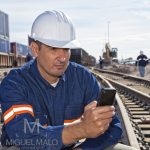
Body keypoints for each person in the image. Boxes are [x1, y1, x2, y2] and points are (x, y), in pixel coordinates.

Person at [0, 10, 136, 150]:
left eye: (66, 49)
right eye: (53, 48)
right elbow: (24, 137)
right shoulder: (15, 82)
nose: (63, 57)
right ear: (35, 49)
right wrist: (82, 129)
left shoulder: (82, 77)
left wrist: (83, 148)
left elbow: (113, 128)